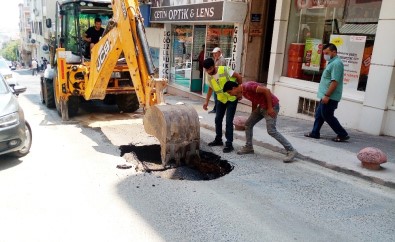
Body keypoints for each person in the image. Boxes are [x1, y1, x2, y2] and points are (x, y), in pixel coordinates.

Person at [223, 81, 298, 163]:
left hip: (272, 106)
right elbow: (254, 99)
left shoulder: (247, 86)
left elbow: (267, 91)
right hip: (261, 107)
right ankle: (249, 147)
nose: (230, 94)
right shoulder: (242, 91)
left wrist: (270, 108)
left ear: (234, 88)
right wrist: (253, 112)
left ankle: (291, 150)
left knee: (271, 131)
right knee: (248, 124)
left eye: (230, 92)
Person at [304, 43, 349, 142]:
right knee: (319, 115)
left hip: (330, 96)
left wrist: (327, 95)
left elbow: (334, 82)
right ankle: (315, 133)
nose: (325, 55)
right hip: (325, 95)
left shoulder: (337, 63)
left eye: (327, 53)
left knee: (327, 115)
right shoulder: (332, 62)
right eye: (324, 53)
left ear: (334, 52)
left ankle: (342, 134)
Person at [202, 58, 242, 153]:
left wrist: (240, 92)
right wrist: (206, 101)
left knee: (228, 121)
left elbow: (238, 77)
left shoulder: (225, 69)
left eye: (210, 69)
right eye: (206, 70)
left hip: (232, 99)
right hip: (221, 99)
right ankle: (218, 139)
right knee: (218, 119)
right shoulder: (209, 76)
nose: (208, 72)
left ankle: (229, 144)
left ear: (213, 66)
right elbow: (211, 89)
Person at [209, 47, 227, 114]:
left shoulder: (221, 60)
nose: (214, 55)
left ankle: (218, 109)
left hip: (219, 80)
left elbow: (221, 71)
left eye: (215, 53)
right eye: (214, 53)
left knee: (217, 96)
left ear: (219, 52)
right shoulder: (216, 59)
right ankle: (216, 108)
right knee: (216, 96)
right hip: (216, 80)